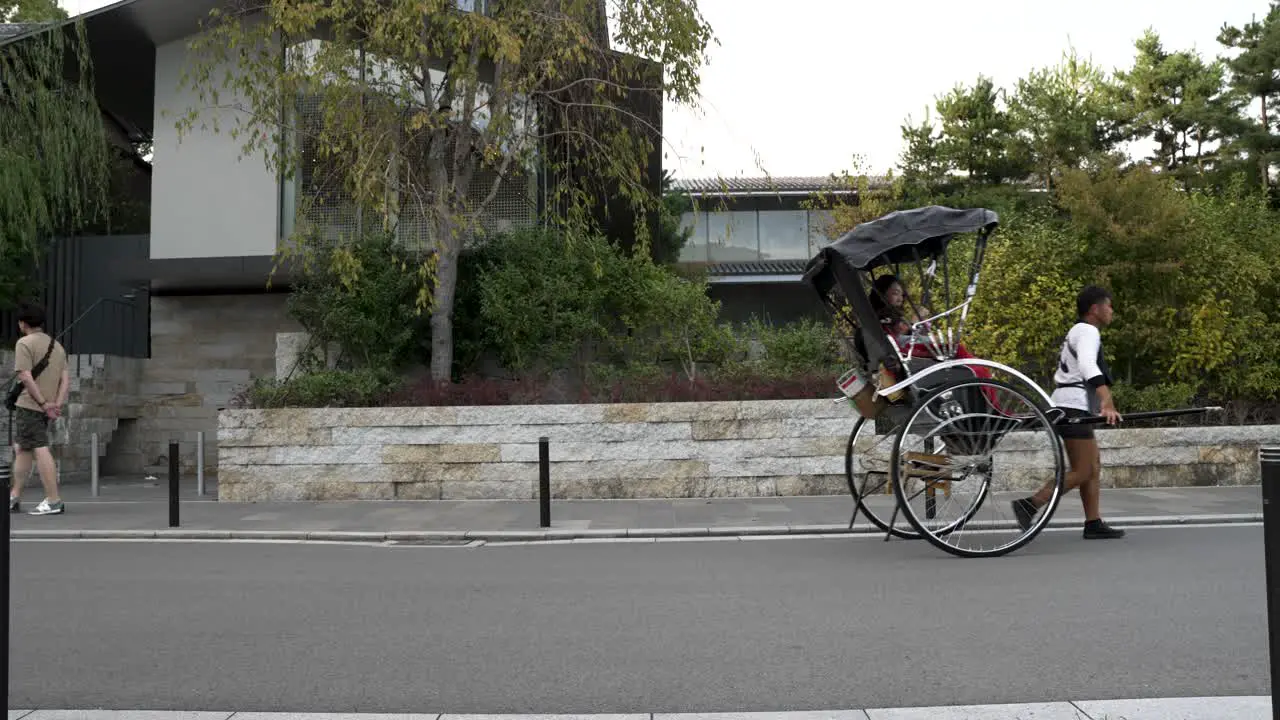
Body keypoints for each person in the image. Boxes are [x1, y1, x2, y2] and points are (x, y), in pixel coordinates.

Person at [1010, 285, 1125, 540]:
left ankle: (1093, 522)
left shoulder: (1080, 330)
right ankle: (1030, 504)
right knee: (1083, 470)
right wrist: (1106, 399)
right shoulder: (1087, 331)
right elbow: (1086, 365)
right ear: (1095, 309)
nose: (1111, 310)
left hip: (1070, 403)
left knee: (1093, 466)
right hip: (1072, 406)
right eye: (1109, 305)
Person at [9, 303, 69, 516]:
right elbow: (65, 379)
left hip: (30, 404)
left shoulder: (24, 343)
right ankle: (14, 496)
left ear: (22, 323)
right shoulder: (57, 346)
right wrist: (55, 404)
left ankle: (53, 500)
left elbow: (24, 375)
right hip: (46, 406)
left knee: (39, 447)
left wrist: (43, 402)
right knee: (24, 448)